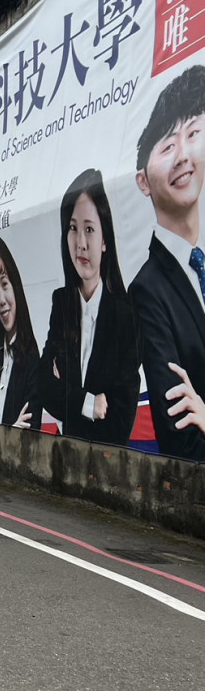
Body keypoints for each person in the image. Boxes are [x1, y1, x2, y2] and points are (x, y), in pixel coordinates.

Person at [130, 64, 205, 460]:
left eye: (192, 133)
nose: (183, 156)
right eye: (167, 145)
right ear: (143, 181)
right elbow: (181, 436)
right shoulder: (147, 289)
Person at [39, 171, 140, 444]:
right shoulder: (61, 304)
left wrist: (66, 393)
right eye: (73, 228)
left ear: (105, 240)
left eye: (89, 229)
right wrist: (88, 403)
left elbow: (120, 419)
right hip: (64, 451)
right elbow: (43, 385)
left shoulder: (124, 316)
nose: (80, 243)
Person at [0, 237, 41, 429]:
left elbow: (30, 425)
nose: (1, 300)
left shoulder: (32, 358)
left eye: (4, 284)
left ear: (16, 286)